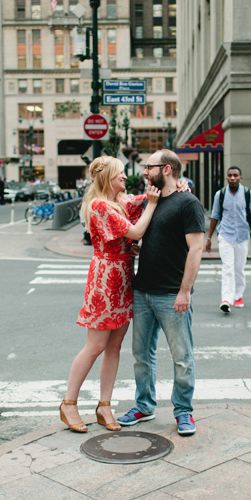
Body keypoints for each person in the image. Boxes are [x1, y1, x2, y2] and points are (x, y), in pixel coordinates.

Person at [59, 156, 161, 433]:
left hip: (123, 276)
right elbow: (137, 230)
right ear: (107, 178)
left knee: (114, 347)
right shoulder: (99, 204)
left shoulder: (116, 202)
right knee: (95, 347)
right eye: (121, 174)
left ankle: (105, 406)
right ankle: (69, 403)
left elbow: (135, 202)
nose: (125, 178)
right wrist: (152, 204)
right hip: (105, 281)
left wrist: (170, 188)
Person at [117, 150, 206, 436]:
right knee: (142, 354)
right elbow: (158, 238)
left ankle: (183, 411)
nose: (144, 171)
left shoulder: (188, 202)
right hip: (143, 291)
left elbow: (196, 248)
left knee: (182, 357)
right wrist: (141, 249)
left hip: (172, 294)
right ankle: (144, 405)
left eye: (148, 166)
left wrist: (185, 291)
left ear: (166, 169)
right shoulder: (151, 203)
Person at [205, 166, 251, 312]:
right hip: (225, 235)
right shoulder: (220, 194)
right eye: (229, 175)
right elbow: (214, 216)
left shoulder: (248, 194)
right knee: (228, 268)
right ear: (227, 177)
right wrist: (209, 238)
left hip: (242, 236)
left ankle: (238, 296)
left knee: (239, 269)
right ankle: (226, 300)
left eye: (235, 175)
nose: (232, 178)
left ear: (240, 178)